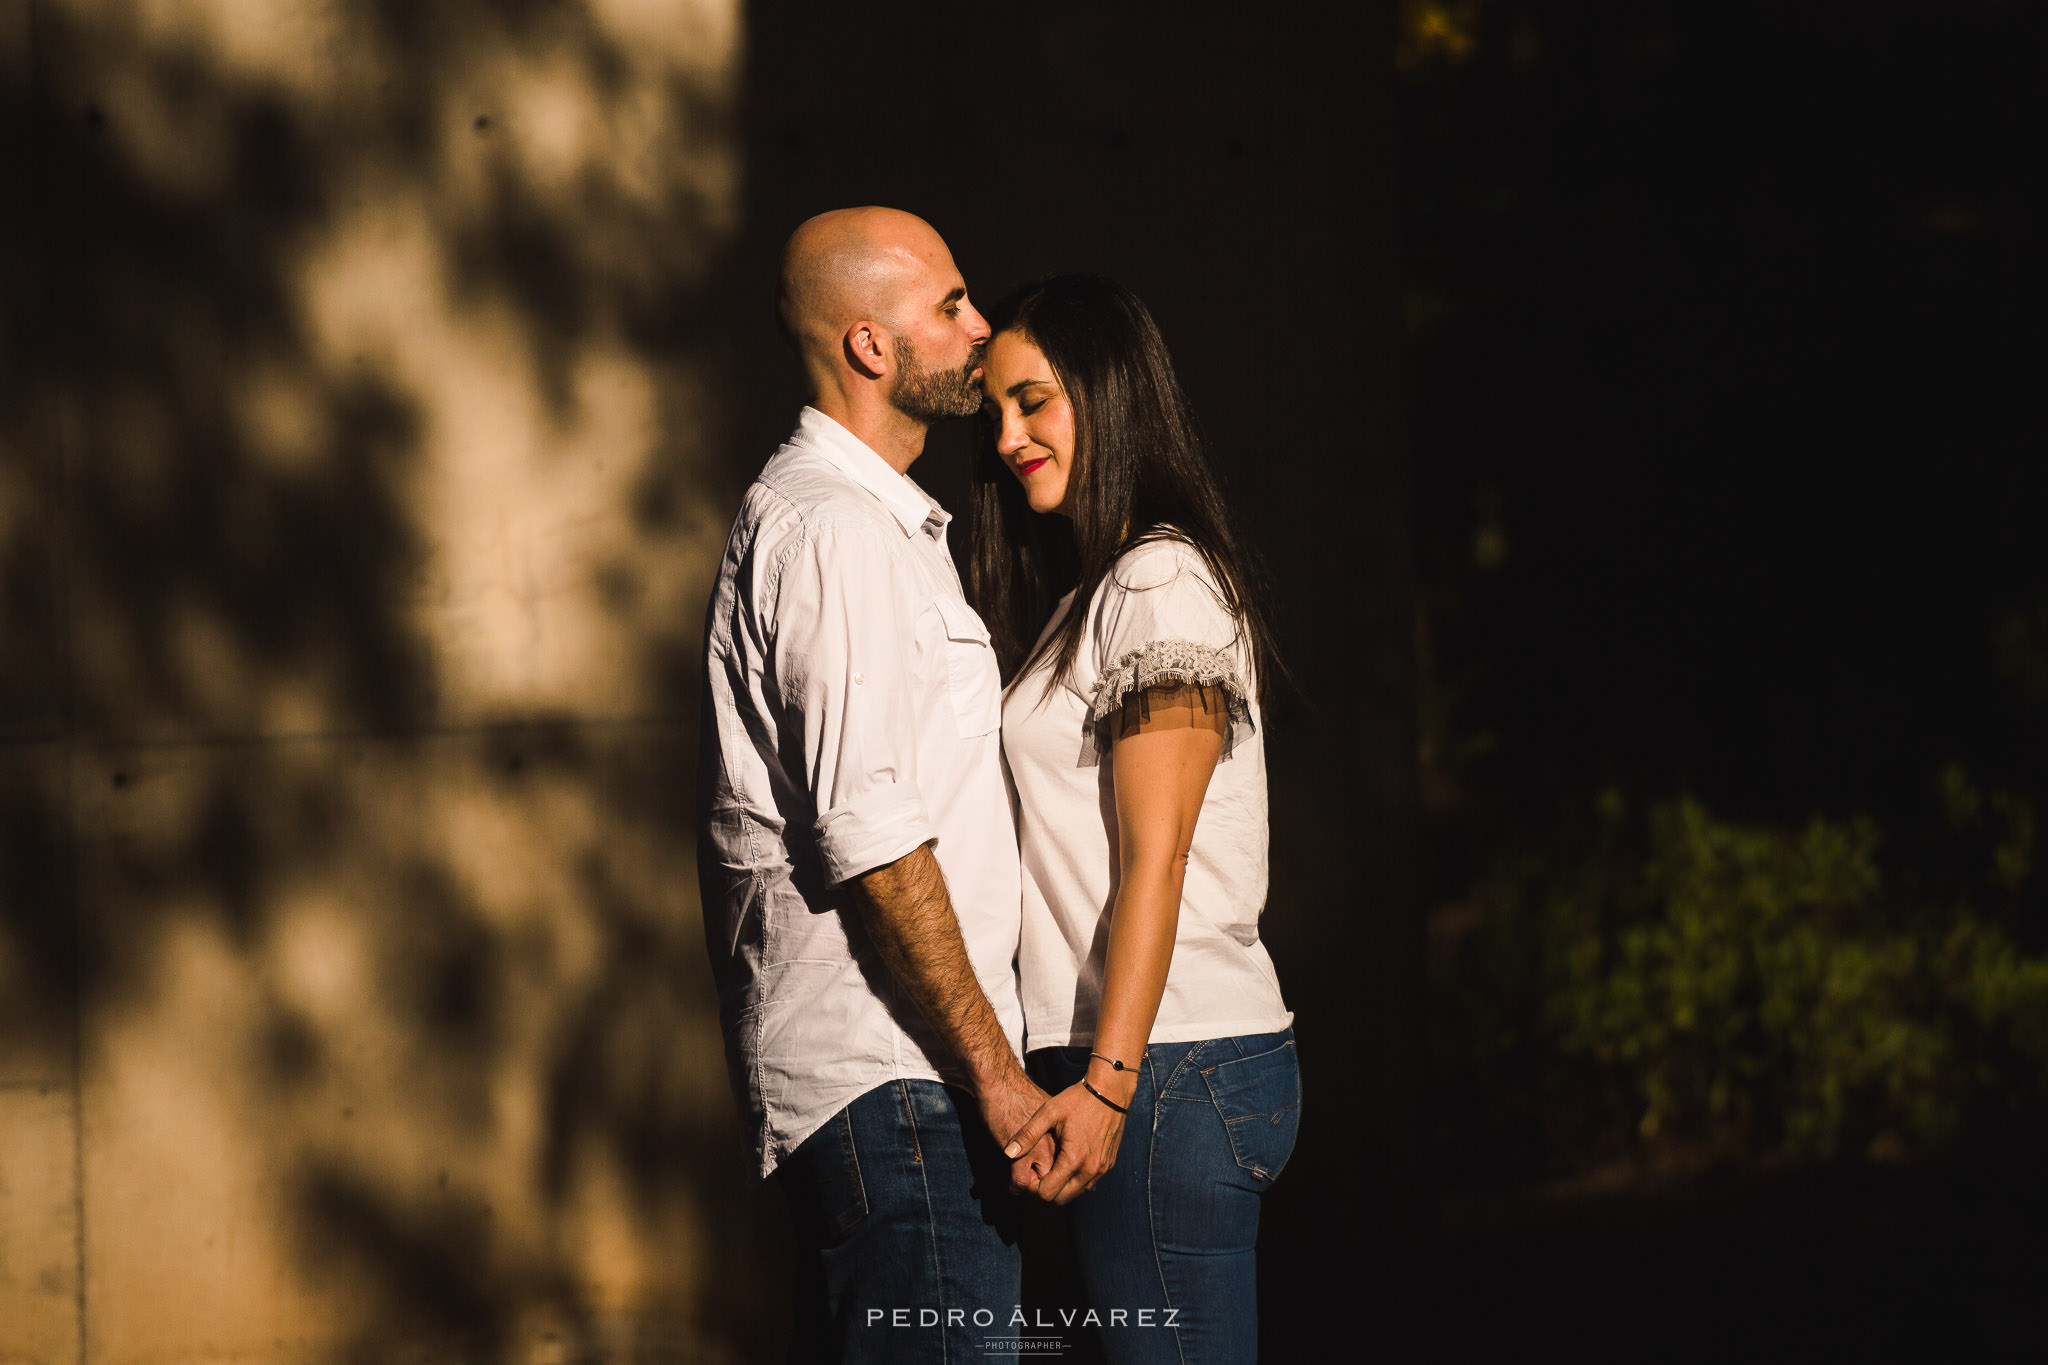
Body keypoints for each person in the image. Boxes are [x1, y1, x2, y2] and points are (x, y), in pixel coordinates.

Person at [696, 207, 1053, 1364]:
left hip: (908, 1091)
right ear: (866, 344)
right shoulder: (835, 530)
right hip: (904, 1090)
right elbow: (873, 840)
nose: (978, 325)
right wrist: (996, 1082)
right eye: (949, 305)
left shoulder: (883, 528)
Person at [973, 275, 1300, 1365]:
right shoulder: (1094, 589)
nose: (1010, 436)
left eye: (1034, 400)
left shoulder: (1158, 581)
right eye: (996, 413)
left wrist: (1107, 1087)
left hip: (1167, 1062)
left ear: (1108, 394)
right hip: (1139, 1060)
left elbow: (1154, 861)